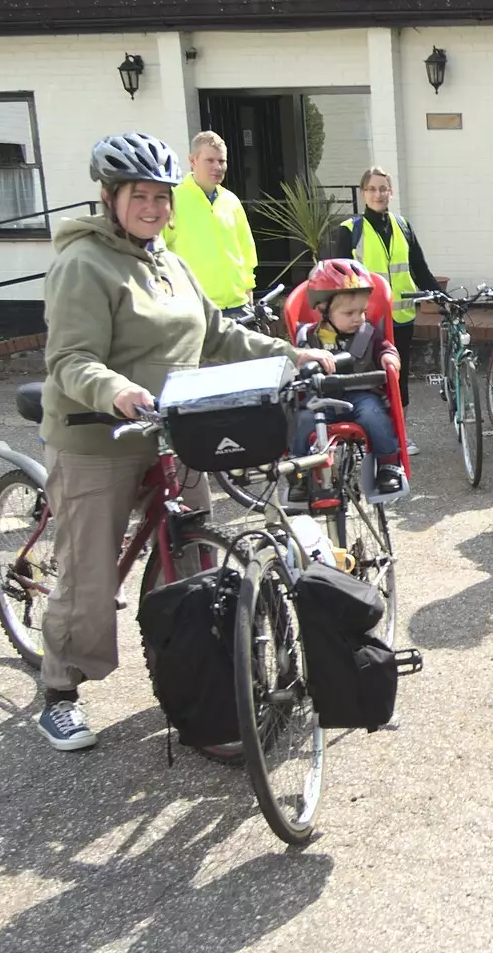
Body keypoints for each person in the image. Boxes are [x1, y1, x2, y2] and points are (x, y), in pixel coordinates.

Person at [37, 133, 335, 753]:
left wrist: (290, 353)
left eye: (161, 197)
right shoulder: (83, 264)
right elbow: (69, 359)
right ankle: (59, 692)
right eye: (139, 195)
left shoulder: (169, 263)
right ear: (109, 197)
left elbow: (220, 334)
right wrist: (117, 390)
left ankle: (193, 667)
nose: (153, 207)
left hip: (174, 430)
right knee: (90, 576)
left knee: (196, 557)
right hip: (102, 436)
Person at [329, 166, 439, 452]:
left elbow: (420, 270)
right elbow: (337, 279)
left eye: (383, 188)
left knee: (397, 377)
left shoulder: (403, 226)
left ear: (391, 192)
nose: (378, 194)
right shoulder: (350, 230)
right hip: (364, 321)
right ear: (363, 193)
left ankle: (401, 433)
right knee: (366, 377)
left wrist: (442, 298)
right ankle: (368, 433)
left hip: (401, 317)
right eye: (372, 189)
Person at [292, 258, 405, 496]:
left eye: (362, 311)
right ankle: (298, 475)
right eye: (349, 312)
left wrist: (389, 357)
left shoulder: (368, 333)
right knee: (301, 422)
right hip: (321, 398)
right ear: (323, 309)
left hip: (361, 394)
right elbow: (294, 362)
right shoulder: (308, 337)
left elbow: (386, 346)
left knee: (375, 416)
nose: (358, 318)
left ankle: (389, 466)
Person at [161, 130, 258, 313]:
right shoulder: (171, 200)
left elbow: (246, 250)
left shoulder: (231, 201)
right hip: (195, 309)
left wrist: (248, 290)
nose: (217, 167)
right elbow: (157, 253)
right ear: (192, 161)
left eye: (221, 161)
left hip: (239, 307)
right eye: (210, 160)